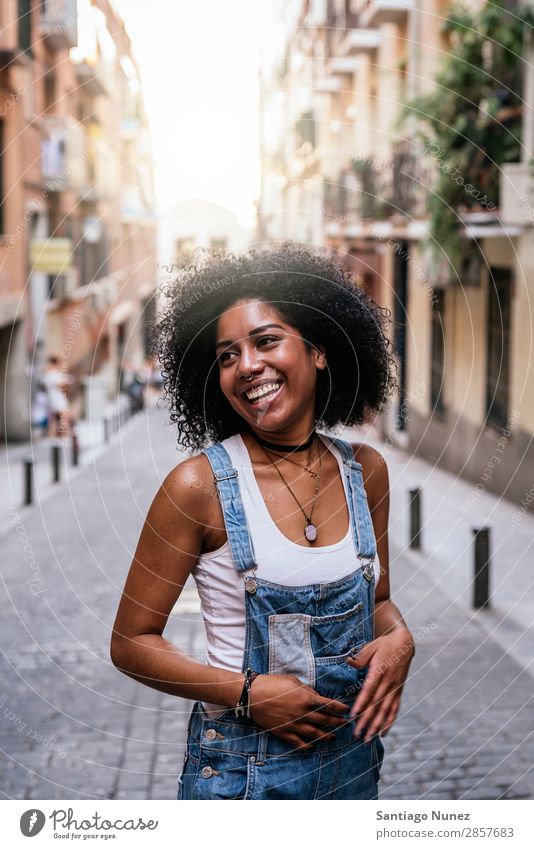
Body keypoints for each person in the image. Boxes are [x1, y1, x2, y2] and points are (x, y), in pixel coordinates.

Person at [110, 245, 415, 800]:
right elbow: (132, 642)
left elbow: (378, 603)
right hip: (239, 780)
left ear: (319, 351)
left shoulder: (365, 472)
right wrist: (248, 693)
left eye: (266, 340)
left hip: (353, 773)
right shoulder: (197, 487)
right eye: (227, 355)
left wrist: (400, 640)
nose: (247, 365)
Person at [42, 356, 74, 437]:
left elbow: (67, 380)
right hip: (56, 399)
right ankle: (63, 434)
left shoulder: (52, 374)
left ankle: (57, 435)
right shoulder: (50, 375)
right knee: (63, 417)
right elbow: (61, 383)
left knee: (56, 418)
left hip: (55, 399)